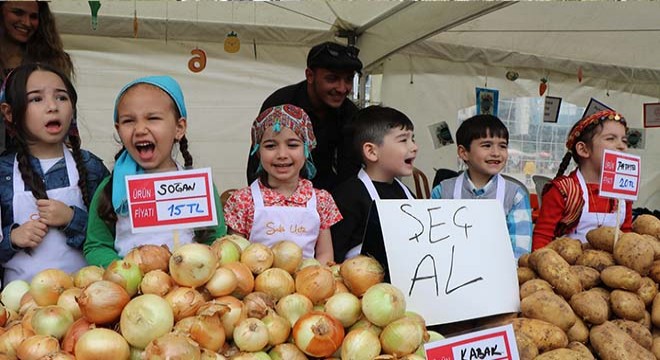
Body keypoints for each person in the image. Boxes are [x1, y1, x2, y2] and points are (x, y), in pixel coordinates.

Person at [84, 76, 227, 267]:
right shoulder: (110, 189)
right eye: (128, 121)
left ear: (179, 127)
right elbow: (96, 246)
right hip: (132, 292)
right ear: (118, 130)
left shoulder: (200, 187)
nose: (140, 129)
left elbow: (216, 241)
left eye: (153, 118)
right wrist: (122, 270)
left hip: (189, 288)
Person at [0, 63, 108, 283]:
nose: (52, 106)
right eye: (36, 99)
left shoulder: (91, 168)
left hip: (84, 301)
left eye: (61, 97)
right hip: (18, 306)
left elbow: (114, 238)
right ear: (9, 112)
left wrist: (72, 219)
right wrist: (12, 238)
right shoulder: (3, 172)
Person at [225, 104, 342, 265]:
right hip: (256, 288)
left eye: (292, 145)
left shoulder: (321, 200)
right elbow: (234, 257)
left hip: (307, 285)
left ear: (307, 149)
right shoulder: (243, 200)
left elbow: (325, 254)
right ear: (258, 152)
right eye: (270, 146)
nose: (282, 155)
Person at [246, 41, 363, 192]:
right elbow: (258, 163)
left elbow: (349, 171)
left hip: (328, 202)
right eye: (332, 79)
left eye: (348, 79)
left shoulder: (350, 113)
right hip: (278, 199)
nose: (342, 88)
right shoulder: (280, 104)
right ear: (310, 75)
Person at [430, 114, 532, 260]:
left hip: (499, 276)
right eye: (487, 145)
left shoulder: (515, 196)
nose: (496, 153)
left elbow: (520, 251)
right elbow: (432, 242)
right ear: (463, 152)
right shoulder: (442, 192)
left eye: (502, 146)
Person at [533, 110, 631, 249]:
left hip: (612, 269)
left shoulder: (622, 193)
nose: (621, 146)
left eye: (624, 140)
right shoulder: (563, 190)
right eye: (610, 139)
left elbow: (627, 236)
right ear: (583, 149)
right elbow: (543, 236)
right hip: (567, 268)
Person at [331, 106, 417, 263]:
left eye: (413, 139)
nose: (414, 147)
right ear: (371, 151)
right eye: (404, 140)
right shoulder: (348, 197)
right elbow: (334, 256)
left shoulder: (407, 194)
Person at [1, 1, 74, 154]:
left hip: (41, 158)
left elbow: (66, 112)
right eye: (18, 12)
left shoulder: (54, 61)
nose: (27, 22)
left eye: (34, 16)